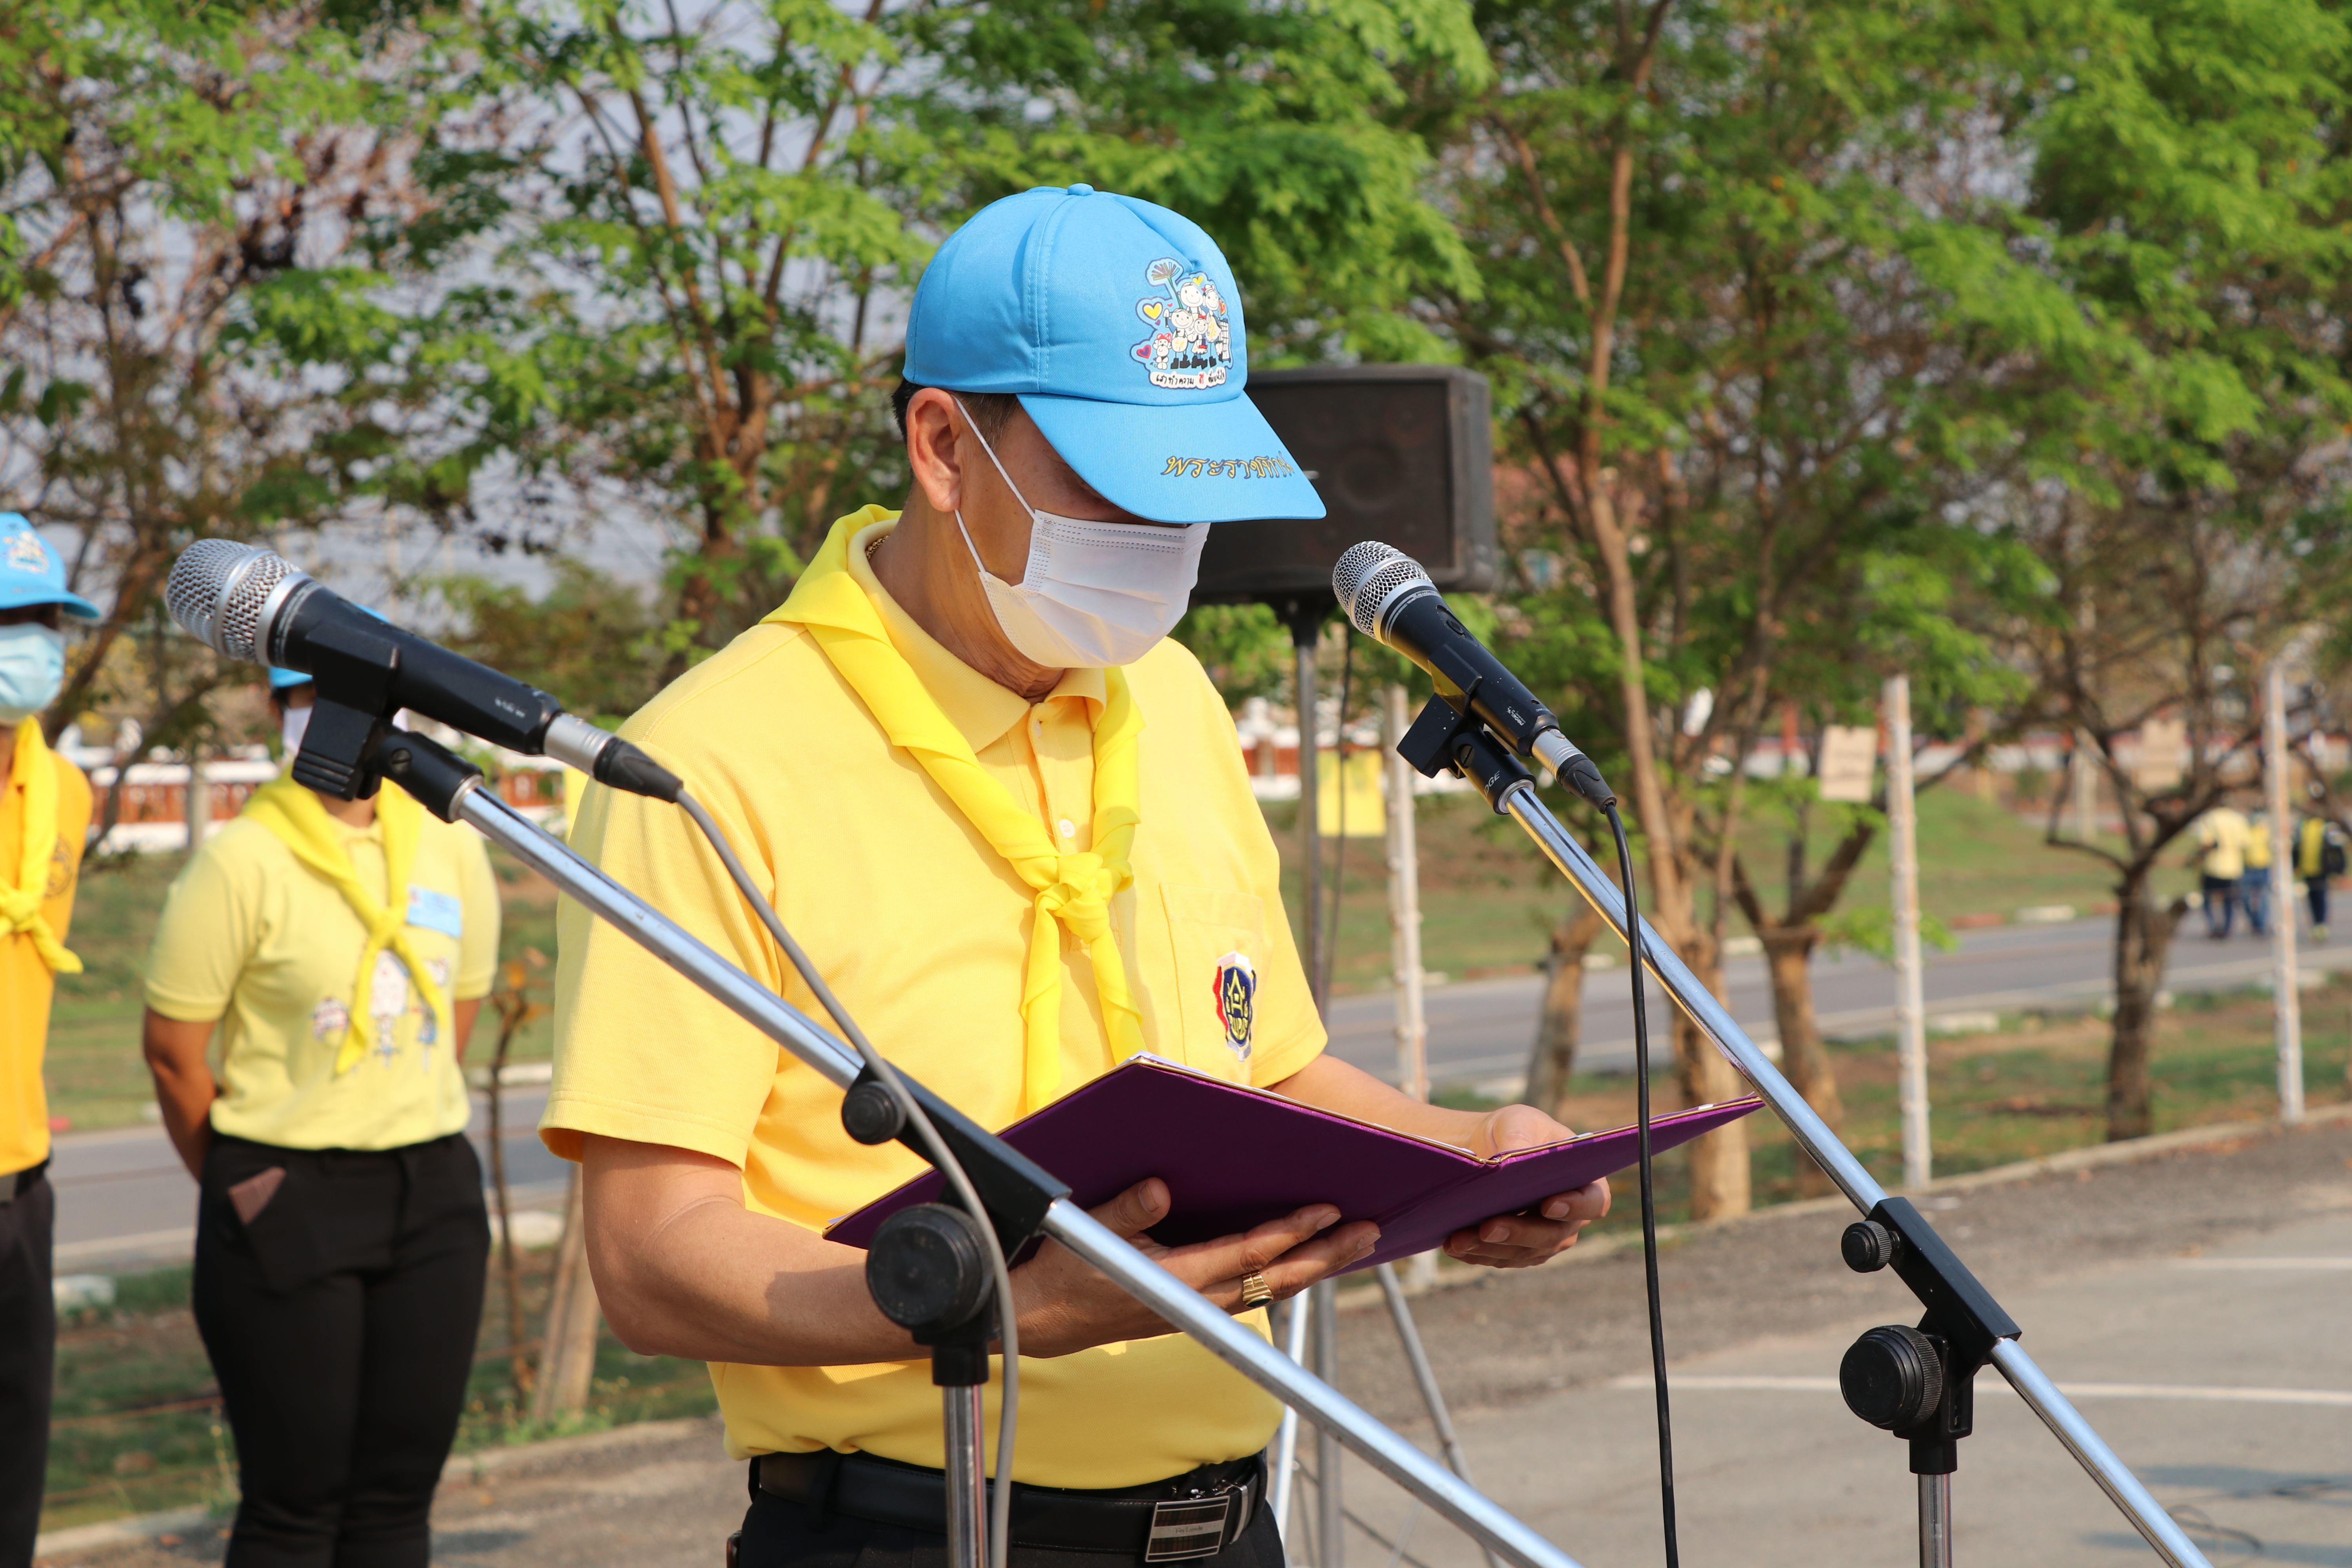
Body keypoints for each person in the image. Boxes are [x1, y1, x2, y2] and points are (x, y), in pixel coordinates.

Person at [545, 185, 1612, 1568]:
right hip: (914, 1530)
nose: (1165, 537)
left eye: (1195, 491)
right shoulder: (706, 764)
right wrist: (986, 1309)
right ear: (944, 444)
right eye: (1117, 485)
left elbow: (1267, 1078)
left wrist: (1465, 1163)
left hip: (1226, 1523)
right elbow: (651, 1252)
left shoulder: (1170, 702)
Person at [140, 663, 501, 1568]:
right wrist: (249, 1182)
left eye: (372, 696)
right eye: (311, 693)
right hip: (286, 1187)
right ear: (278, 709)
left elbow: (459, 1006)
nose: (343, 715)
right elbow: (175, 1051)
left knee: (395, 1501)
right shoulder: (241, 860)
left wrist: (392, 1102)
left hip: (432, 1192)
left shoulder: (451, 842)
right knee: (295, 1505)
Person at [0, 512, 100, 1563]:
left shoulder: (63, 789)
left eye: (43, 619)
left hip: (21, 1188)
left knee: (13, 1487)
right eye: (7, 619)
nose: (29, 641)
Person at [2191, 802, 2250, 938]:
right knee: (2229, 900)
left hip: (2213, 866)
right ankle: (2227, 928)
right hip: (2233, 867)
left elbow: (2206, 842)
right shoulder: (2239, 819)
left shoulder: (2209, 818)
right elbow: (2245, 843)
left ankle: (2213, 926)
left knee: (2208, 900)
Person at [2298, 799, 2346, 942]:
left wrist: (2339, 869)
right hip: (2307, 869)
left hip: (2322, 870)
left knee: (2321, 898)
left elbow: (2337, 849)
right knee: (2311, 899)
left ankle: (2321, 925)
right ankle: (2316, 925)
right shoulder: (2304, 825)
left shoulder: (2328, 826)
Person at [2241, 809, 2273, 937]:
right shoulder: (2246, 832)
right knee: (2245, 898)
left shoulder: (2266, 833)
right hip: (2248, 869)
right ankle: (2254, 921)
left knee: (2263, 898)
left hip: (2263, 868)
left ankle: (2260, 924)